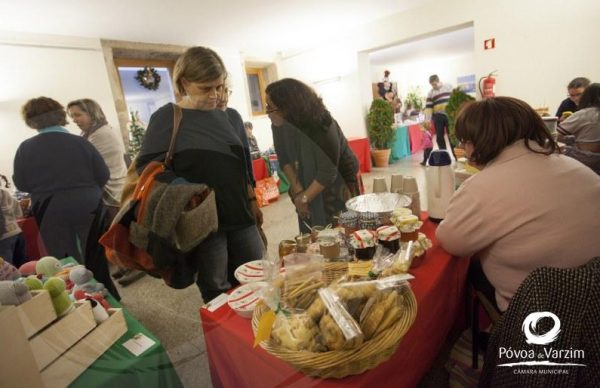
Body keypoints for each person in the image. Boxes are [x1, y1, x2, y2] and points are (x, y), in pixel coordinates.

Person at [436, 97, 600, 313]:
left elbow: (452, 241)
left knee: (469, 269)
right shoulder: (573, 166)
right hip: (592, 297)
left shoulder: (481, 188)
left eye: (465, 141)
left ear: (478, 141)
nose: (464, 149)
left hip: (541, 312)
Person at [136, 46, 264, 302]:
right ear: (184, 82)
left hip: (240, 214)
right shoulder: (168, 118)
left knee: (258, 279)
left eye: (219, 86)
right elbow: (148, 169)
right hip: (203, 224)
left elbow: (243, 167)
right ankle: (225, 341)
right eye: (206, 88)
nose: (215, 95)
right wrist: (189, 189)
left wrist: (252, 200)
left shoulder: (232, 117)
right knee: (217, 289)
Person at [13, 97, 109, 264]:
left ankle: (77, 289)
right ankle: (103, 287)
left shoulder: (25, 148)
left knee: (66, 262)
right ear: (60, 115)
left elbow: (21, 183)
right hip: (87, 204)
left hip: (50, 208)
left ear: (31, 121)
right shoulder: (81, 142)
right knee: (96, 258)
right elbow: (103, 174)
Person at [265, 78, 360, 233]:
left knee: (341, 231)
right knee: (312, 232)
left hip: (338, 181)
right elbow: (284, 159)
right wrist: (299, 192)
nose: (267, 112)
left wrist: (304, 198)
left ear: (287, 107)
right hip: (306, 179)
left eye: (271, 108)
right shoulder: (278, 125)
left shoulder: (322, 123)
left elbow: (328, 171)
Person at [67, 98, 144, 286]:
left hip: (114, 188)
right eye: (72, 116)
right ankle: (126, 265)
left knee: (120, 231)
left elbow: (90, 165)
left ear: (91, 113)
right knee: (116, 231)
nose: (75, 119)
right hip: (107, 189)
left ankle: (135, 266)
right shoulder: (90, 133)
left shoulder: (100, 135)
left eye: (78, 114)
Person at [557, 83, 600, 175]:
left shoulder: (584, 113)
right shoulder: (566, 103)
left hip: (588, 157)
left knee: (556, 150)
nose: (576, 98)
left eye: (579, 94)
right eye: (572, 95)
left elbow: (557, 134)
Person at [0, 175, 26, 265]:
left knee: (5, 270)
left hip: (3, 237)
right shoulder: (5, 193)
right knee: (22, 267)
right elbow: (19, 213)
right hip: (17, 233)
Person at [424, 74, 453, 152]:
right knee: (439, 137)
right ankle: (444, 154)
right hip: (438, 116)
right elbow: (428, 107)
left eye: (434, 84)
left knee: (452, 136)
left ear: (438, 81)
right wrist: (427, 120)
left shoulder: (449, 87)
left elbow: (454, 99)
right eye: (431, 85)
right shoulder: (430, 93)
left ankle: (456, 155)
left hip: (449, 115)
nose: (433, 86)